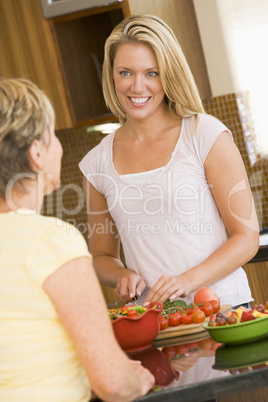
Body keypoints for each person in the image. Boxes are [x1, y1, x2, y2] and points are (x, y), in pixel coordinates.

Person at [79, 14, 259, 308]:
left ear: (169, 74)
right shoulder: (96, 163)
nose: (137, 87)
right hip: (156, 321)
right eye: (125, 72)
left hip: (224, 310)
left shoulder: (205, 135)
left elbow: (246, 238)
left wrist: (186, 281)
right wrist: (122, 274)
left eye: (151, 73)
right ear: (111, 75)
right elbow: (101, 257)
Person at [0, 77, 155, 401]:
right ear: (37, 153)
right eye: (52, 134)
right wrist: (136, 378)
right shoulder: (51, 241)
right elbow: (113, 384)